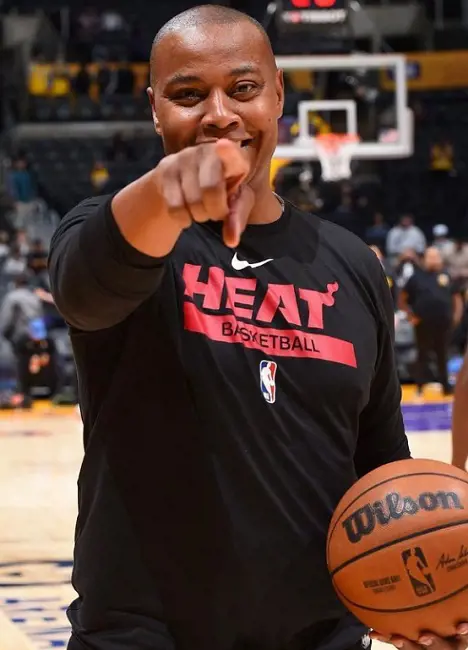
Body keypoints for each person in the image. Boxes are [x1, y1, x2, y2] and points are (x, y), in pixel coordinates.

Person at [48, 6, 467, 650]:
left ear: (278, 97)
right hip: (141, 636)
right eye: (188, 95)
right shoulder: (113, 231)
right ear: (155, 108)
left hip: (319, 636)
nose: (218, 113)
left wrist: (425, 590)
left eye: (242, 89)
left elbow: (379, 462)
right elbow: (87, 292)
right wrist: (165, 193)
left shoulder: (353, 265)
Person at [399, 246, 463, 397]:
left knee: (442, 354)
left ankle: (446, 386)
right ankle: (420, 386)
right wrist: (410, 316)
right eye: (430, 257)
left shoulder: (446, 276)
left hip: (444, 323)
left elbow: (457, 298)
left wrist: (456, 317)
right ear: (424, 259)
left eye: (436, 256)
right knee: (422, 354)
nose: (433, 259)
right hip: (422, 323)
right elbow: (402, 298)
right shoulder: (416, 277)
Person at [0, 273, 49, 408]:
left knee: (20, 366)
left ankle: (19, 395)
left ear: (15, 283)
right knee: (29, 366)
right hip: (36, 335)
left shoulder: (12, 297)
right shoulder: (34, 297)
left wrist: (4, 334)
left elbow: (6, 320)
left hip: (21, 336)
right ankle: (27, 395)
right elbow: (40, 317)